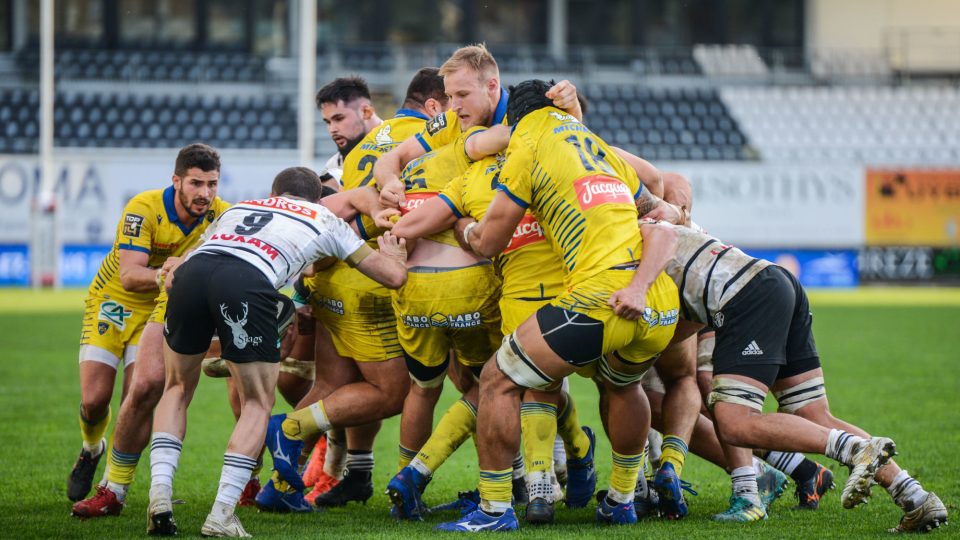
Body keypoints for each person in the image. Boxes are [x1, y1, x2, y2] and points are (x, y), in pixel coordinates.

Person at [435, 79, 680, 531]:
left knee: (497, 380)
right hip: (656, 298)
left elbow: (490, 242)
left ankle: (493, 510)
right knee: (625, 386)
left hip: (602, 296)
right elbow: (660, 212)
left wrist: (464, 227)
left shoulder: (526, 143)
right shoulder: (597, 146)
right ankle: (623, 499)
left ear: (514, 120)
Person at [629, 216, 947, 531]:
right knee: (813, 414)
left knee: (734, 422)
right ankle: (915, 497)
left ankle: (851, 450)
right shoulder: (649, 221)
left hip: (744, 297)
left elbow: (668, 195)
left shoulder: (629, 231)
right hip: (773, 282)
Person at [145, 166, 408, 537]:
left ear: (274, 193)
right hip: (247, 282)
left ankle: (160, 495)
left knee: (175, 389)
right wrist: (397, 259)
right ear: (317, 198)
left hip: (192, 277)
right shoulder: (325, 217)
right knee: (257, 403)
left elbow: (175, 275)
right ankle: (221, 515)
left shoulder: (237, 208)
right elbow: (392, 277)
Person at [256, 70, 450, 511]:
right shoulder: (427, 138)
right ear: (437, 105)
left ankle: (281, 488)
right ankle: (288, 429)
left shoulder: (360, 152)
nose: (333, 129)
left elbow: (329, 210)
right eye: (329, 121)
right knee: (393, 393)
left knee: (332, 383)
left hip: (330, 283)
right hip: (368, 285)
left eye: (337, 119)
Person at [69, 143, 229, 510]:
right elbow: (129, 275)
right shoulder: (144, 208)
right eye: (196, 183)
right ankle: (92, 447)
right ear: (176, 181)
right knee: (94, 401)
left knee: (140, 393)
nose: (205, 193)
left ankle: (112, 487)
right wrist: (172, 273)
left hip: (161, 306)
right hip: (114, 302)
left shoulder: (221, 215)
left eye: (212, 184)